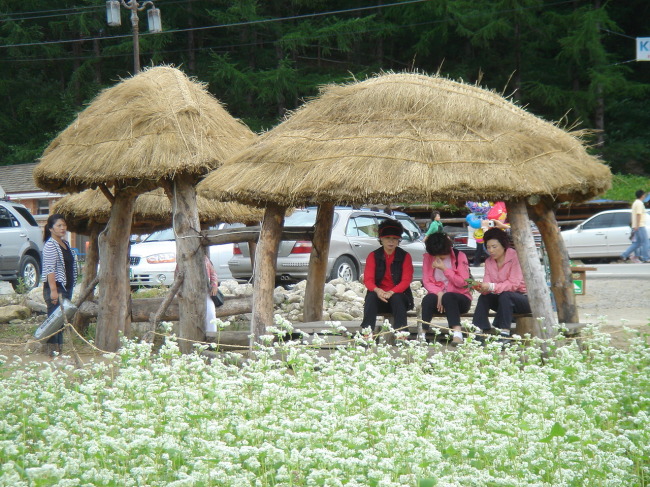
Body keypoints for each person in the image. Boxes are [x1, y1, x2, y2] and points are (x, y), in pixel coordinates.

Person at [471, 228, 530, 341]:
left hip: (523, 300)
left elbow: (514, 284)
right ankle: (478, 331)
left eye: (494, 247)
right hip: (504, 303)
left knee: (506, 295)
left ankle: (504, 333)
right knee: (485, 297)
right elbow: (487, 285)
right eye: (488, 247)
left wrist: (491, 286)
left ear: (503, 245)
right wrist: (481, 287)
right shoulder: (489, 261)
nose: (491, 251)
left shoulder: (515, 257)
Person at [360, 219, 414, 333]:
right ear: (381, 239)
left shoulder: (405, 256)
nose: (391, 241)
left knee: (397, 297)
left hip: (399, 297)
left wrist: (391, 292)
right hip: (379, 298)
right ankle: (366, 333)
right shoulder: (373, 256)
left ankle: (402, 334)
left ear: (398, 240)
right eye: (387, 238)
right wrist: (378, 290)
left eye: (394, 238)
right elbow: (368, 280)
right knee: (371, 297)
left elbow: (406, 280)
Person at [421, 233, 472, 345]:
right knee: (428, 299)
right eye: (435, 256)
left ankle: (457, 334)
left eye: (442, 256)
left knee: (449, 297)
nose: (438, 258)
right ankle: (422, 334)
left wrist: (445, 269)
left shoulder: (459, 256)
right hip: (438, 299)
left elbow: (463, 282)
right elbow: (426, 280)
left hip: (459, 298)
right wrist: (438, 292)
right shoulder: (428, 258)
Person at [41, 213, 77, 356]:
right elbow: (50, 270)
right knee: (53, 321)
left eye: (64, 225)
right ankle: (52, 352)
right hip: (55, 287)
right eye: (59, 226)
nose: (63, 228)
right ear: (51, 228)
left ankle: (59, 351)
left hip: (66, 286)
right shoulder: (50, 245)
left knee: (61, 320)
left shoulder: (65, 244)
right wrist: (53, 291)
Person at [620, 189, 649, 263]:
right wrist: (638, 225)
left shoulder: (635, 203)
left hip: (636, 225)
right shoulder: (639, 203)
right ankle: (646, 257)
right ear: (642, 195)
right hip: (640, 225)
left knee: (637, 243)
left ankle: (624, 254)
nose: (645, 196)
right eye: (644, 195)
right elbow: (638, 214)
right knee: (646, 242)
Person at [204, 255, 220, 335]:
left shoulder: (205, 258)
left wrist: (214, 286)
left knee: (211, 313)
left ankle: (212, 336)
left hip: (205, 291)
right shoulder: (183, 259)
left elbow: (213, 273)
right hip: (189, 293)